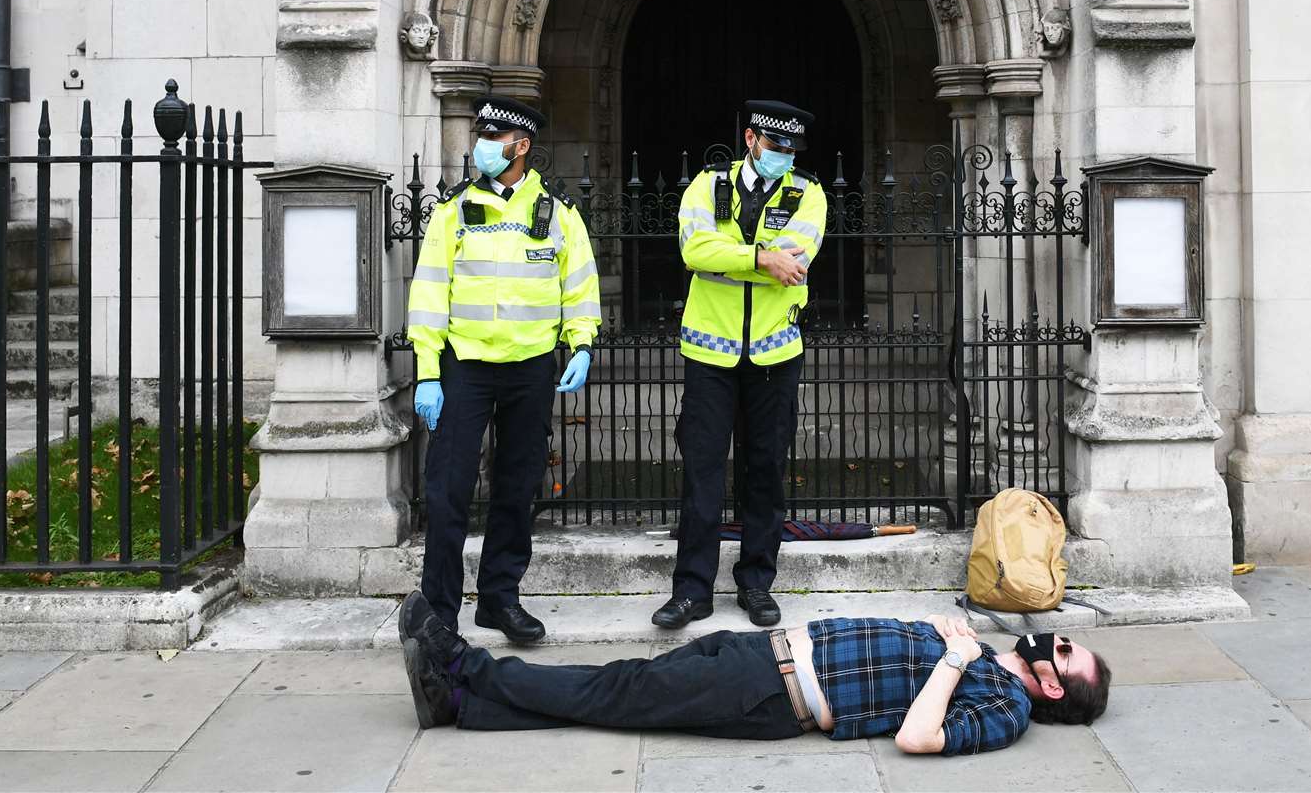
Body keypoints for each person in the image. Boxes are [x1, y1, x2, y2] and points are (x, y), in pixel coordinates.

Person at [396, 589, 1111, 754]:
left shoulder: (1004, 709)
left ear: (1053, 686)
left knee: (611, 689)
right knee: (616, 694)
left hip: (770, 695)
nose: (1055, 642)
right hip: (754, 657)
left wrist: (952, 660)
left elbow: (917, 738)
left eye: (1067, 654)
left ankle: (463, 665)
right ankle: (464, 705)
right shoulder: (982, 654)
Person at [407, 95, 601, 644]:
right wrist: (427, 371)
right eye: (481, 135)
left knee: (517, 490)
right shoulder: (453, 213)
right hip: (464, 367)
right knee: (447, 491)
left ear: (523, 146)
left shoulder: (558, 214)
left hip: (531, 369)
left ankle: (499, 599)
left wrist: (582, 345)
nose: (484, 147)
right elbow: (428, 294)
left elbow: (581, 288)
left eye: (495, 138)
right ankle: (440, 612)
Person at [654, 100, 829, 630]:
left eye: (792, 150)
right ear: (752, 139)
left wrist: (736, 257)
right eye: (776, 147)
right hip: (710, 352)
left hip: (775, 353)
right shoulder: (706, 186)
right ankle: (692, 589)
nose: (785, 157)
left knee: (765, 472)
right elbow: (693, 250)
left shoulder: (810, 193)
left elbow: (795, 262)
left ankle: (756, 584)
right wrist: (758, 258)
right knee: (702, 472)